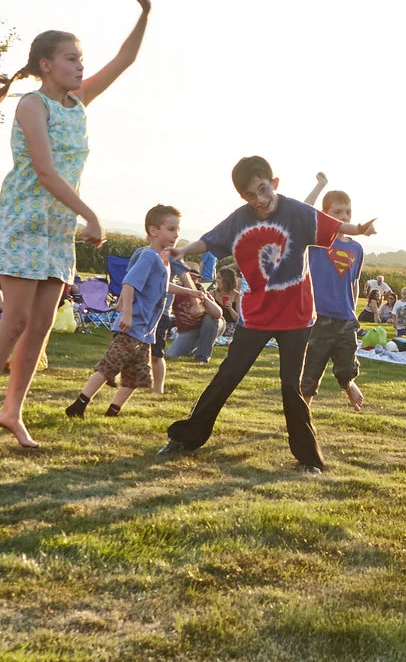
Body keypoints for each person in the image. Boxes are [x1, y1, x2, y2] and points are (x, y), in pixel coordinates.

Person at [0, 0, 153, 452]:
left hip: (55, 228)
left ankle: (13, 411)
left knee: (43, 324)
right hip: (24, 219)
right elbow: (45, 172)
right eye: (71, 58)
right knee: (14, 321)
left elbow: (125, 60)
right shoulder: (33, 104)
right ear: (46, 65)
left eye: (81, 59)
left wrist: (145, 14)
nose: (80, 66)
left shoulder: (79, 101)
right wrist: (90, 214)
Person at [159, 159, 376, 472]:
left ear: (274, 183)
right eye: (250, 195)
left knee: (291, 385)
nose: (259, 199)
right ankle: (186, 438)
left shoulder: (296, 212)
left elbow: (334, 226)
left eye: (263, 189)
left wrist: (359, 230)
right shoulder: (240, 220)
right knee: (228, 375)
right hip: (257, 316)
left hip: (297, 317)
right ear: (244, 198)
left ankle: (308, 460)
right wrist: (183, 251)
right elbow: (211, 239)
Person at [67, 204, 180, 419]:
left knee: (136, 376)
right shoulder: (149, 257)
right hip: (132, 326)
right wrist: (127, 313)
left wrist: (191, 293)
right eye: (171, 229)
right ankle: (79, 404)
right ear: (154, 231)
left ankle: (113, 411)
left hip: (146, 332)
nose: (176, 235)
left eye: (177, 230)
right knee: (109, 366)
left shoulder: (162, 261)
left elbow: (163, 288)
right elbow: (129, 283)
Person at [301, 187, 369, 413]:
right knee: (311, 369)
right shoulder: (317, 241)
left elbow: (354, 282)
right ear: (325, 213)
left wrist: (353, 311)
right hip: (319, 319)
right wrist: (320, 185)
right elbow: (302, 213)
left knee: (347, 365)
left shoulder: (356, 248)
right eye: (338, 212)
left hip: (345, 319)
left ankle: (349, 384)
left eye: (347, 212)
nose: (344, 217)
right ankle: (303, 414)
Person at [163, 257, 219, 363]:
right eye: (189, 278)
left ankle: (202, 357)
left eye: (194, 278)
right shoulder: (176, 293)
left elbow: (218, 314)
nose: (191, 282)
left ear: (198, 280)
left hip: (207, 327)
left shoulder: (203, 293)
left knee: (210, 320)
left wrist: (204, 298)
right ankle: (193, 349)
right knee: (170, 355)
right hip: (188, 331)